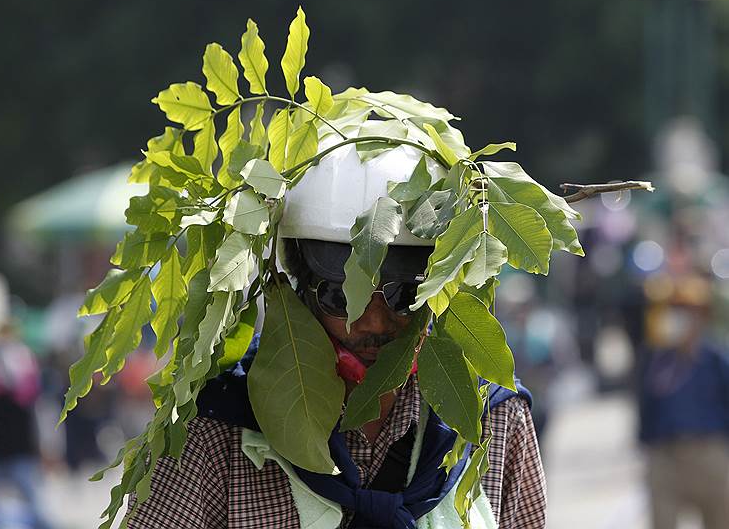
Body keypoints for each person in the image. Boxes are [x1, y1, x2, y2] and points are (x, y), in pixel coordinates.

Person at [127, 140, 547, 528]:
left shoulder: (490, 418)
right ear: (297, 288)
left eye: (405, 296)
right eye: (342, 295)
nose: (374, 324)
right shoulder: (215, 426)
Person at [637, 273, 729, 529]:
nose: (679, 317)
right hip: (665, 454)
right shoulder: (655, 359)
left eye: (687, 311)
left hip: (710, 452)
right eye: (673, 310)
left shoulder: (715, 358)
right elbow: (644, 409)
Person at [0, 322, 53, 529]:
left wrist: (45, 445)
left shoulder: (28, 371)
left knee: (37, 509)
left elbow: (38, 412)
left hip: (21, 449)